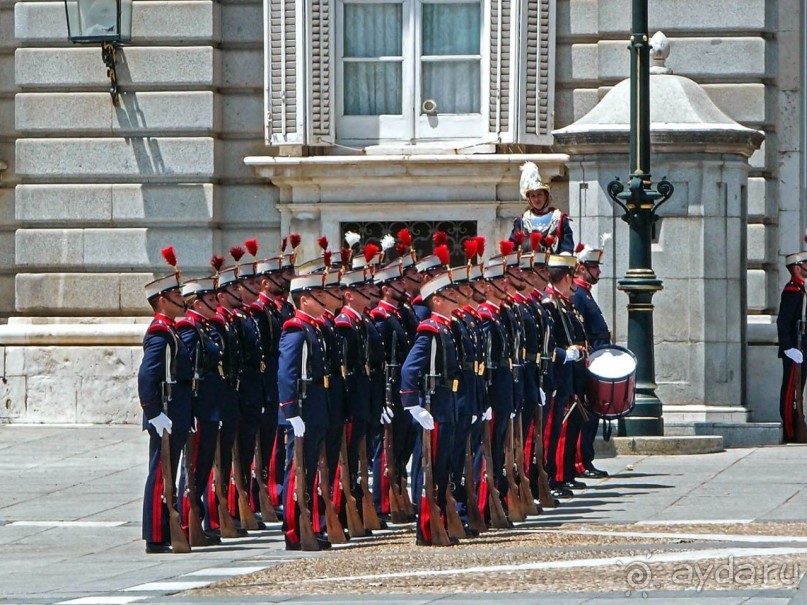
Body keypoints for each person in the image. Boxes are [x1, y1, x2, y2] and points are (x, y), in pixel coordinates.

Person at [278, 270, 339, 550]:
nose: (325, 299)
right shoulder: (296, 329)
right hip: (303, 408)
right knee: (298, 469)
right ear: (304, 300)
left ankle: (310, 524)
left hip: (317, 407)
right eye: (319, 295)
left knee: (310, 469)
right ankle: (293, 529)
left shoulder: (314, 328)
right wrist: (291, 411)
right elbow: (287, 374)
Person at [400, 270, 462, 546]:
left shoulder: (446, 327)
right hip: (433, 405)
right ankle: (426, 527)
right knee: (430, 467)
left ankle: (439, 522)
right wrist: (413, 405)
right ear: (436, 301)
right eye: (449, 295)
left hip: (446, 404)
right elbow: (409, 370)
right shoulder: (430, 330)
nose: (456, 299)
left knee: (443, 468)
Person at [138, 247, 193, 554]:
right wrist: (154, 412)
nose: (183, 301)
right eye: (176, 296)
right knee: (161, 472)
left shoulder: (171, 331)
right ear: (162, 301)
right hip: (166, 412)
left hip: (178, 410)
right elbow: (148, 376)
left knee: (168, 473)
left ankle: (164, 529)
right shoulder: (160, 333)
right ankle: (156, 534)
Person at [571, 239, 611, 478]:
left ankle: (586, 459)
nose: (598, 271)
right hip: (588, 359)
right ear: (582, 268)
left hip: (597, 355)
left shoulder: (585, 294)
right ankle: (580, 462)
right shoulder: (578, 295)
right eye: (594, 267)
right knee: (585, 415)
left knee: (592, 414)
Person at [511, 162, 574, 254]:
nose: (536, 199)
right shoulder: (521, 221)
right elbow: (513, 247)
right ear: (529, 199)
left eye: (539, 194)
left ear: (546, 196)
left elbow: (567, 247)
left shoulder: (560, 219)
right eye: (533, 196)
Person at [777, 248, 807, 441]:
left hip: (801, 347)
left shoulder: (801, 289)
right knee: (790, 392)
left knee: (799, 389)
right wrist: (788, 348)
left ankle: (798, 425)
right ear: (797, 268)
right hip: (794, 349)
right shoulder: (792, 291)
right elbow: (783, 321)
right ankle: (790, 429)